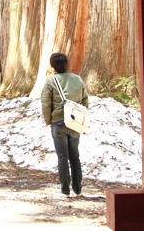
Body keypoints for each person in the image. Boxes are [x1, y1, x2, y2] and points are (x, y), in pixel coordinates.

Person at [40, 52, 89, 197]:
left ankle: (65, 188)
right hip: (74, 122)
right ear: (67, 63)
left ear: (52, 66)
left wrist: (49, 120)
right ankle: (78, 188)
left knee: (62, 157)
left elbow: (46, 103)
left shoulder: (51, 81)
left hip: (58, 123)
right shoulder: (78, 79)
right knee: (75, 156)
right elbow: (85, 100)